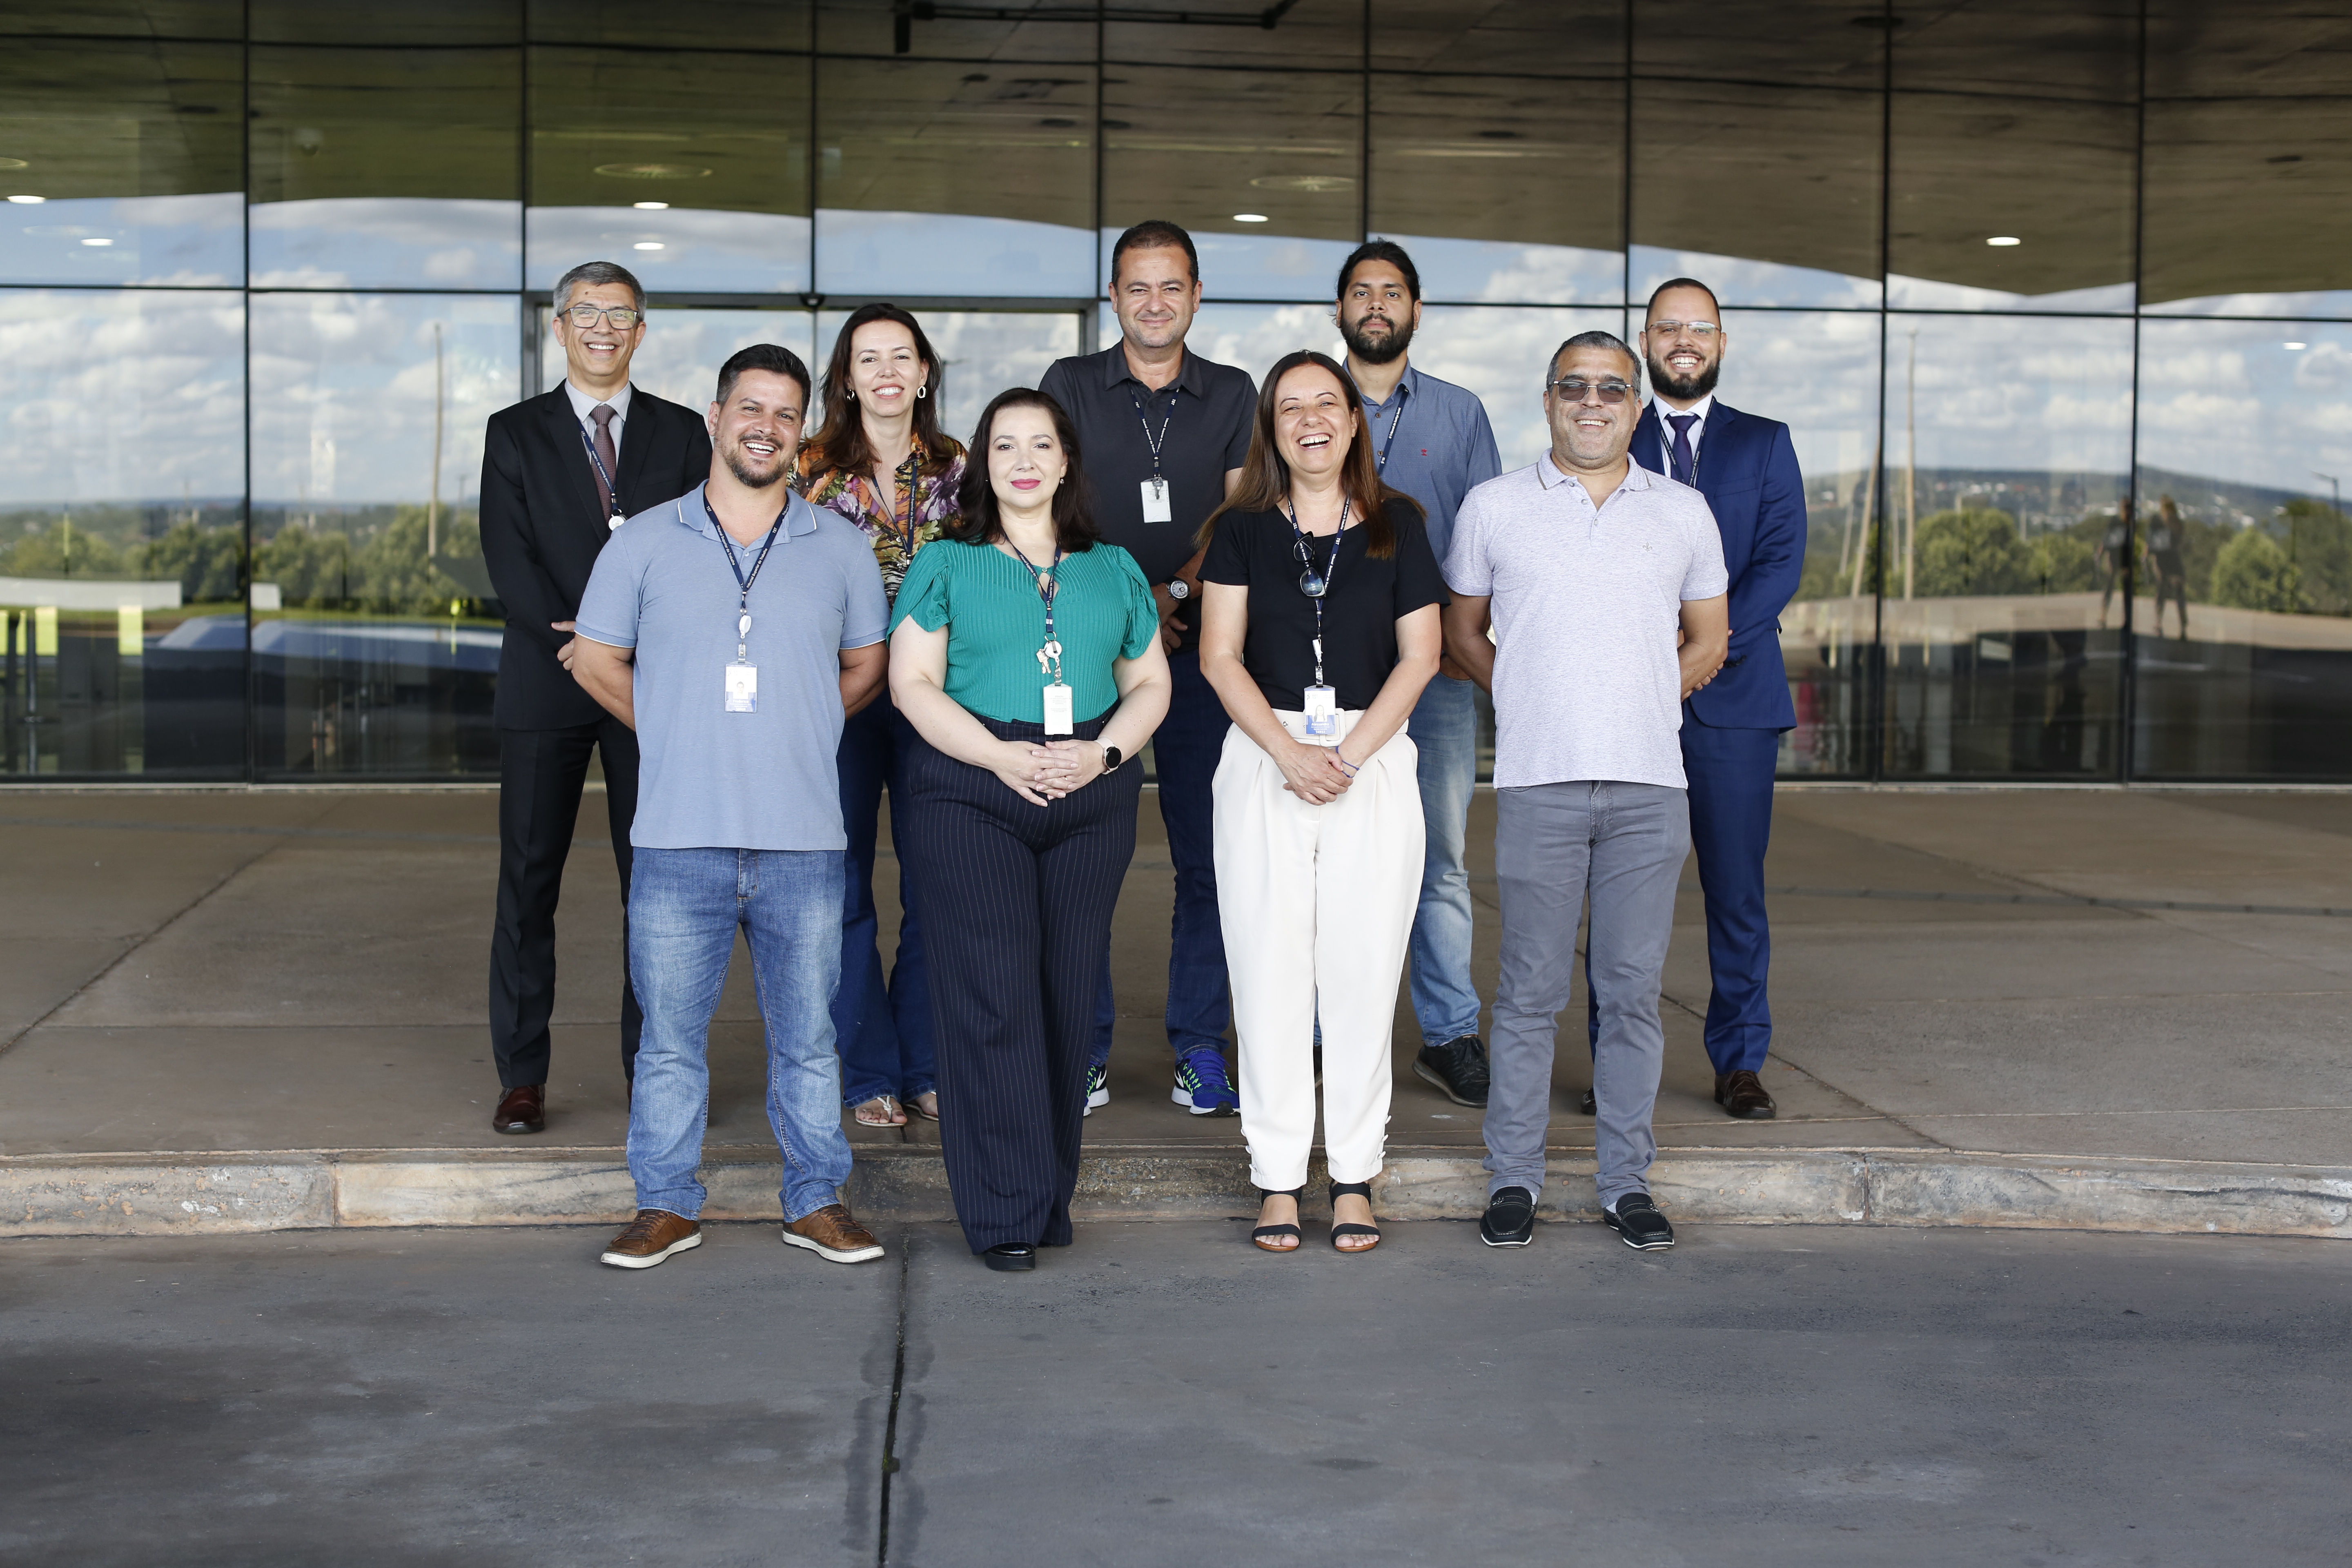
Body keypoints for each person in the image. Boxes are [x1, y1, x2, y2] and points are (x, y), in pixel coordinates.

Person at [569, 344, 892, 1271]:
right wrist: (671, 728)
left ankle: (816, 1200)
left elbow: (865, 665)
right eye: (750, 408)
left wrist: (798, 723)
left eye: (785, 414)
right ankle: (664, 1204)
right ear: (715, 419)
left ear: (801, 433)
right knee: (670, 1043)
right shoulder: (641, 540)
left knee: (808, 1039)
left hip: (800, 841)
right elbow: (595, 661)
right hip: (679, 837)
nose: (766, 426)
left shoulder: (837, 544)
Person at [1444, 331, 1728, 1254]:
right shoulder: (1492, 507)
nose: (1592, 401)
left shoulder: (1682, 511)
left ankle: (1624, 1183)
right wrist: (1528, 692)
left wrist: (1640, 694)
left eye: (1612, 388)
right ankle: (1513, 1179)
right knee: (1525, 993)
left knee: (1630, 993)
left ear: (1635, 407)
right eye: (1574, 386)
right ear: (1548, 399)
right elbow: (1461, 633)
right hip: (1537, 785)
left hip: (1650, 789)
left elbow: (1708, 640)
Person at [888, 388, 1172, 1272]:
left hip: (1091, 791)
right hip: (971, 787)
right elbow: (912, 686)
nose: (1023, 459)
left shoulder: (1114, 567)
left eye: (1040, 444)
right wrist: (1000, 758)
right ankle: (1004, 1209)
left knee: (1063, 992)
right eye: (1004, 444)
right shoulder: (946, 562)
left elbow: (1151, 685)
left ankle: (1047, 1195)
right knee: (993, 994)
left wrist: (1106, 758)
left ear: (1065, 461)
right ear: (983, 463)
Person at [1198, 351, 1445, 1255]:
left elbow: (1420, 656)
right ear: (1272, 426)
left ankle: (1352, 1177)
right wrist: (1289, 753)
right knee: (1266, 971)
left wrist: (1341, 753)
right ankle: (1273, 1178)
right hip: (1265, 760)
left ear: (1352, 422)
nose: (1310, 417)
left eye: (1326, 403)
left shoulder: (1398, 525)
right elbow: (1220, 655)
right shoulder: (1240, 529)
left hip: (1369, 761)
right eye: (1289, 404)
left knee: (1361, 974)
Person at [477, 260, 712, 1135]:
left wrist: (626, 654)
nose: (603, 327)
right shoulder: (515, 432)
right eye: (587, 312)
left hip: (654, 689)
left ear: (641, 331)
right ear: (559, 325)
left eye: (620, 314)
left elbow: (697, 550)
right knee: (529, 881)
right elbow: (511, 560)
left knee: (653, 885)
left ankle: (651, 1066)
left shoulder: (685, 432)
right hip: (548, 682)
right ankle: (522, 1074)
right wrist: (582, 649)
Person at [1038, 220, 1256, 1119]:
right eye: (1138, 287)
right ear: (1114, 296)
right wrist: (1136, 610)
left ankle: (1198, 1048)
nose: (1155, 303)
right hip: (1093, 651)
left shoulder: (1235, 392)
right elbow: (1048, 502)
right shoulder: (1072, 386)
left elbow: (1243, 514)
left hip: (1209, 654)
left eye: (1172, 287)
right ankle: (1083, 1051)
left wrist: (1174, 595)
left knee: (1212, 858)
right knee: (1088, 853)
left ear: (1197, 296)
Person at [1610, 277, 1806, 1123]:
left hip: (1735, 702)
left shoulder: (1765, 444)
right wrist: (1660, 664)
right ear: (1646, 341)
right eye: (1668, 328)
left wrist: (1702, 651)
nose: (1683, 341)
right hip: (1627, 705)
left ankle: (1739, 1060)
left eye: (1700, 329)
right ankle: (1619, 1065)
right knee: (1620, 894)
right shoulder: (1611, 439)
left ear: (1720, 343)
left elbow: (1780, 564)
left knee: (1735, 891)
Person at [1332, 239, 1503, 1111]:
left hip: (1430, 672)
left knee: (1439, 857)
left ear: (1415, 309)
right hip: (1324, 674)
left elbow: (1482, 549)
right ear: (1339, 312)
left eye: (1390, 292)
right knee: (1327, 858)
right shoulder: (1307, 404)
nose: (1374, 304)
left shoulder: (1459, 413)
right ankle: (1326, 1035)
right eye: (1360, 292)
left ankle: (1449, 1036)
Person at [794, 304, 966, 1129]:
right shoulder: (810, 472)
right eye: (870, 358)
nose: (887, 371)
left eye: (903, 356)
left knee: (940, 882)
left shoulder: (963, 469)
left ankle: (928, 1062)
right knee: (843, 884)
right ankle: (867, 1069)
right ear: (847, 377)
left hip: (943, 698)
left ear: (925, 372)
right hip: (848, 696)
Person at [2147, 496, 2191, 639]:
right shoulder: (2156, 520)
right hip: (2161, 559)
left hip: (2172, 559)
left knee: (2179, 592)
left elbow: (2179, 540)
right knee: (2161, 591)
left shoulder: (2176, 522)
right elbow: (2151, 539)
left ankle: (2183, 627)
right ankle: (2159, 624)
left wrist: (2172, 524)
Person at [2096, 499, 2133, 630]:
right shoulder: (2116, 522)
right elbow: (2106, 539)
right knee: (2109, 587)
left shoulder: (2131, 524)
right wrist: (2100, 554)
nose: (2127, 510)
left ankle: (2127, 620)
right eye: (2126, 507)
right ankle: (2103, 616)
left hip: (2125, 559)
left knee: (2126, 590)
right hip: (2113, 556)